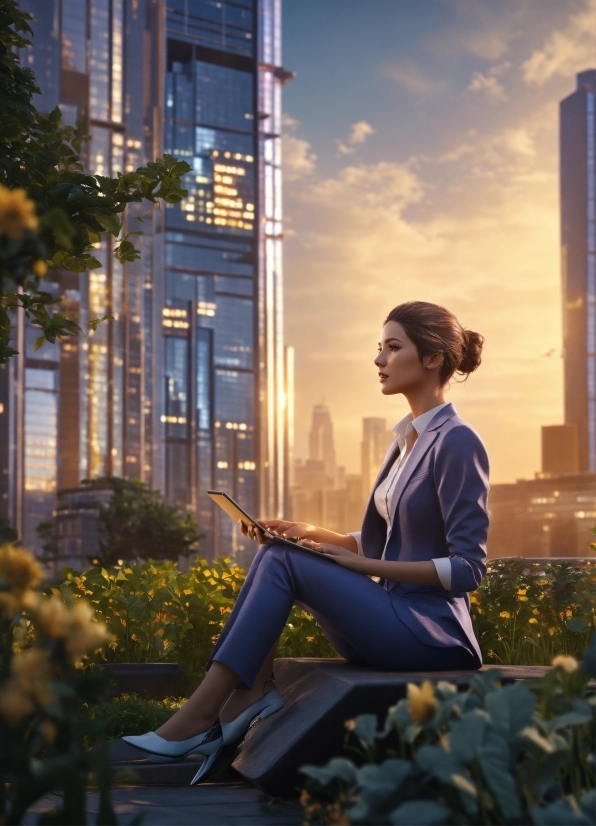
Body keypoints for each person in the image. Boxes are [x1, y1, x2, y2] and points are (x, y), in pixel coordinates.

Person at [124, 300, 489, 784]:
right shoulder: (404, 442)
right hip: (391, 617)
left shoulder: (456, 440)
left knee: (283, 563)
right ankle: (244, 693)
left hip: (433, 636)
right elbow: (392, 541)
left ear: (432, 358)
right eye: (378, 348)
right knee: (279, 550)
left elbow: (469, 568)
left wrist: (359, 570)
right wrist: (312, 533)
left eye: (393, 347)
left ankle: (204, 713)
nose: (378, 360)